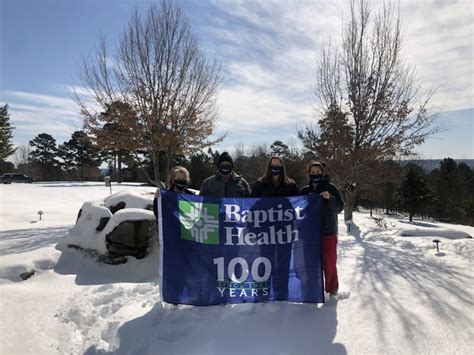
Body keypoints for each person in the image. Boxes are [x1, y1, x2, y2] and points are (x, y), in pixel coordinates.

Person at [251, 156, 299, 300]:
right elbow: (251, 206)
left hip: (285, 232)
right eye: (273, 165)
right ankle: (262, 294)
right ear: (269, 167)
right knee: (265, 262)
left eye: (278, 165)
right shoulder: (260, 184)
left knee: (283, 263)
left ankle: (281, 294)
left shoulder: (290, 185)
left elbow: (298, 205)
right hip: (265, 233)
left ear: (282, 167)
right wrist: (254, 229)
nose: (276, 167)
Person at [300, 161, 344, 296]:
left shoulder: (331, 188)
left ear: (322, 172)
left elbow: (339, 208)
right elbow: (299, 210)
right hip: (310, 233)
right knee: (310, 262)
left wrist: (329, 198)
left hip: (328, 231)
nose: (315, 175)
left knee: (329, 262)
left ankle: (332, 288)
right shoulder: (305, 190)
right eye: (312, 172)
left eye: (318, 172)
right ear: (309, 173)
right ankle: (312, 287)